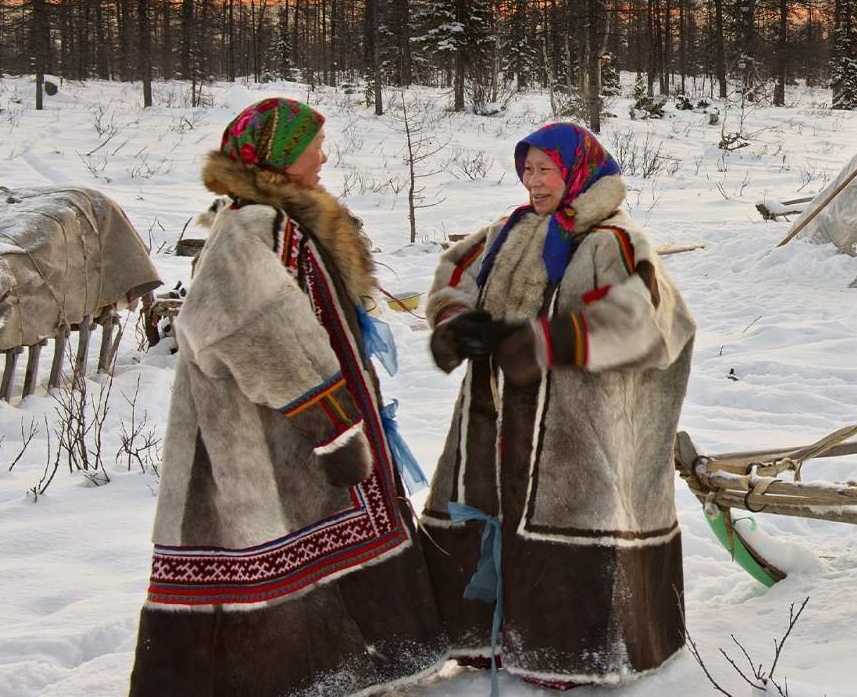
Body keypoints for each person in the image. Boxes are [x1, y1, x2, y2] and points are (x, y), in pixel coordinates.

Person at [131, 98, 443, 697]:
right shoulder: (252, 229)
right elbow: (234, 326)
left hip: (284, 435)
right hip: (258, 437)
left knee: (305, 540)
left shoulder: (275, 220)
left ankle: (343, 669)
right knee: (261, 541)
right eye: (312, 146)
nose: (323, 156)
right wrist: (328, 421)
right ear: (280, 156)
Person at [422, 121, 695, 689]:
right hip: (492, 414)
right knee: (487, 506)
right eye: (527, 169)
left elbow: (652, 322)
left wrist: (551, 343)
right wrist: (456, 322)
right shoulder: (507, 231)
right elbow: (453, 273)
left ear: (576, 172)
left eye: (545, 169)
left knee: (565, 520)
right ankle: (483, 638)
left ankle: (570, 654)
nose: (533, 181)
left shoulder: (611, 240)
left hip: (574, 425)